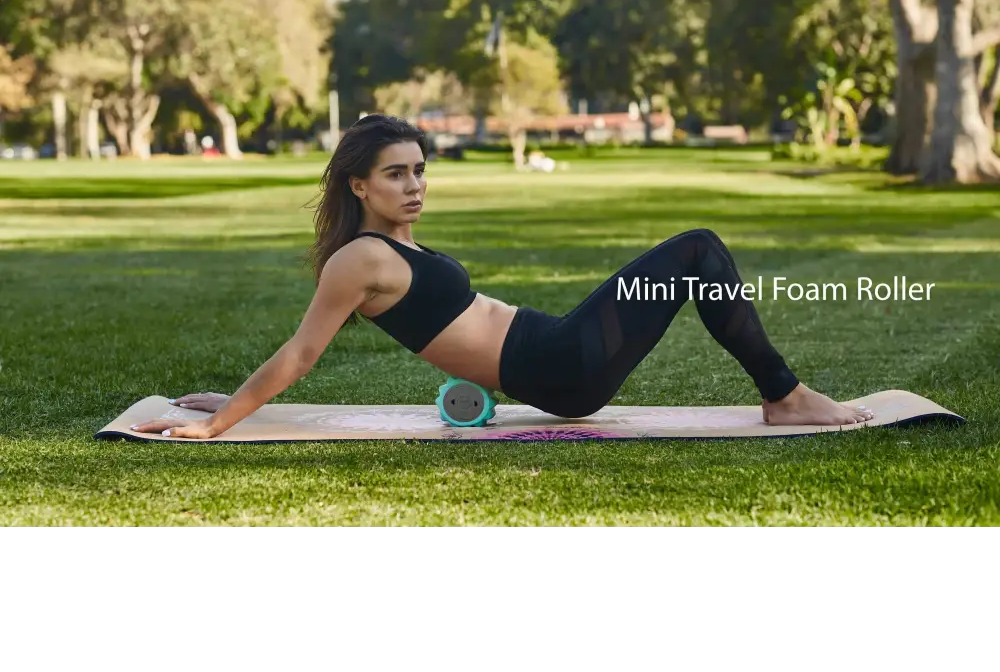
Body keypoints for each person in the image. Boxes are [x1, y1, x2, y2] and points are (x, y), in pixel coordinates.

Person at [132, 114, 875, 439]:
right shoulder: (358, 260)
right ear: (359, 186)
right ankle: (786, 397)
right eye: (396, 175)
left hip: (554, 351)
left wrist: (234, 402)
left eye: (420, 170)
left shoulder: (397, 244)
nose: (415, 185)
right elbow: (301, 353)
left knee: (694, 258)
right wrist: (219, 421)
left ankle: (787, 394)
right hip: (558, 368)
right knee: (697, 251)